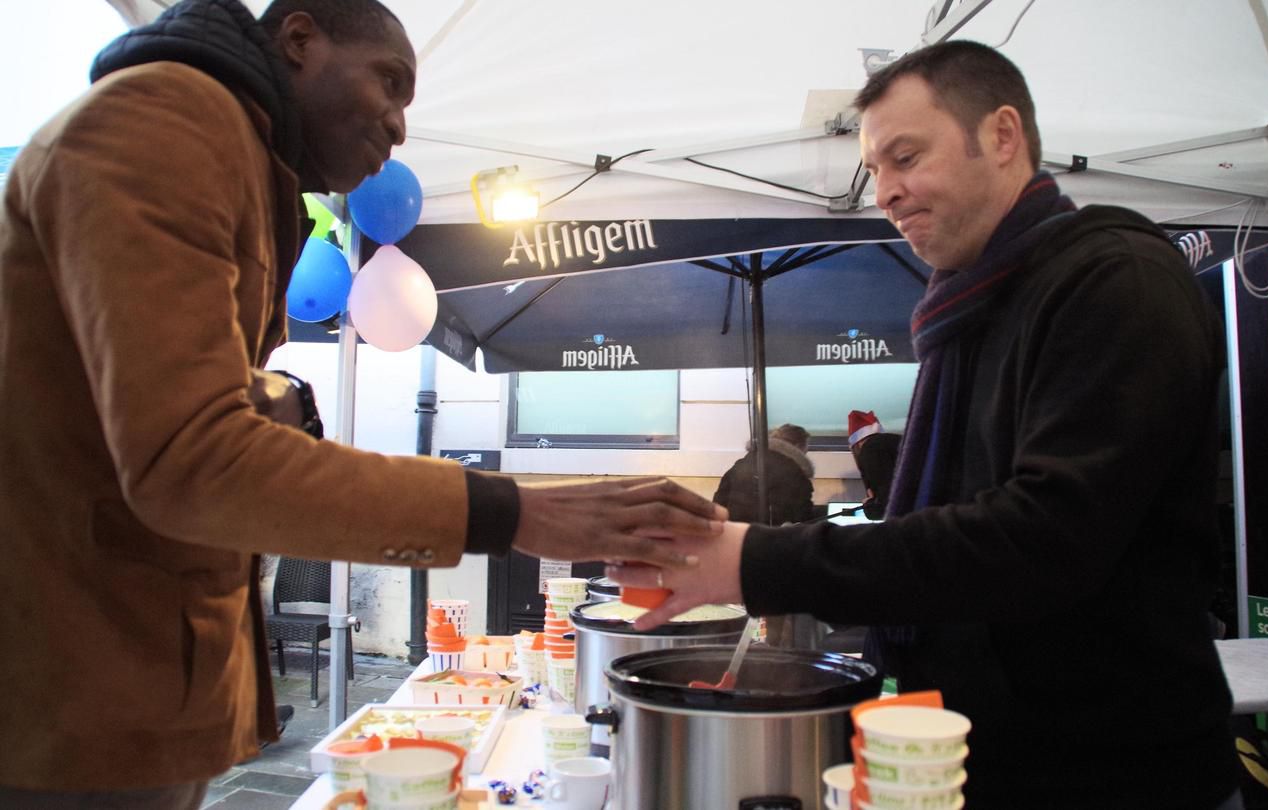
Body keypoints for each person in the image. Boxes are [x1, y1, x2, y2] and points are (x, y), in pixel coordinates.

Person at [0, 0, 725, 805]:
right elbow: (192, 457)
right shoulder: (168, 119)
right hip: (75, 684)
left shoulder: (231, 151)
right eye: (391, 82)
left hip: (122, 677)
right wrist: (512, 512)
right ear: (299, 39)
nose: (400, 126)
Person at [611, 40, 1239, 809]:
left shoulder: (1117, 282)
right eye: (875, 170)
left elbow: (1043, 541)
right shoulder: (968, 307)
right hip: (973, 762)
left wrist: (757, 561)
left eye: (906, 157)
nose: (887, 193)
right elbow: (949, 528)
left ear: (1003, 136)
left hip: (1118, 776)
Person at [713, 423, 816, 525]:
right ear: (798, 447)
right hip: (769, 535)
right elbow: (802, 516)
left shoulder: (743, 463)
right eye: (805, 450)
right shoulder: (796, 475)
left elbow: (719, 501)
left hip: (735, 531)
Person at [847, 408, 902, 520]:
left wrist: (869, 505)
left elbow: (887, 503)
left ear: (855, 444)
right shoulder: (895, 442)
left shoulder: (871, 449)